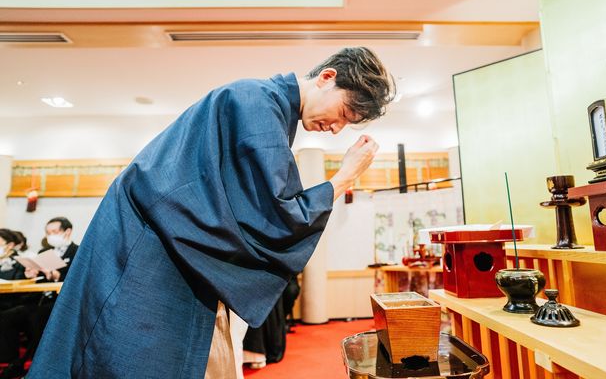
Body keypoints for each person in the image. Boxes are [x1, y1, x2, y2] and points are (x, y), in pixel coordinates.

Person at [28, 46, 395, 378]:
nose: (337, 129)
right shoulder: (257, 104)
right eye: (344, 113)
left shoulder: (260, 103)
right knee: (127, 353)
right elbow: (277, 218)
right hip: (149, 248)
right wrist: (344, 178)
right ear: (327, 77)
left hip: (162, 242)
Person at [0, 219, 79, 378]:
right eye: (48, 233)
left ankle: (39, 362)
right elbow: (38, 279)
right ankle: (10, 361)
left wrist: (56, 275)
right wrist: (30, 274)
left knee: (37, 316)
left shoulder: (77, 251)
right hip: (40, 298)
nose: (50, 236)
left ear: (68, 231)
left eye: (54, 232)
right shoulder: (44, 251)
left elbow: (78, 279)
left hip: (61, 301)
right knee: (8, 315)